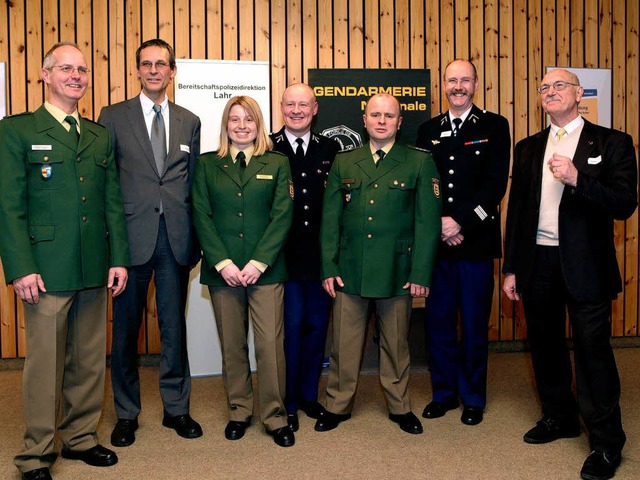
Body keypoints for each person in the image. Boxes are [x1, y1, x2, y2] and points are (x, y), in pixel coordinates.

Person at [0, 42, 129, 480]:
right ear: (45, 74)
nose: (76, 76)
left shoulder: (97, 134)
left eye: (83, 69)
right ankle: (35, 453)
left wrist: (119, 258)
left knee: (89, 360)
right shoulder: (16, 130)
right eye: (67, 69)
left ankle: (80, 438)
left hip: (94, 265)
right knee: (45, 364)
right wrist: (19, 266)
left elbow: (113, 202)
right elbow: (8, 206)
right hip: (45, 268)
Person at [503, 68, 637, 480]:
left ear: (579, 93)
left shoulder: (612, 142)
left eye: (559, 85)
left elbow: (623, 204)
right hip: (537, 262)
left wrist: (579, 179)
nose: (549, 91)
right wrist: (511, 267)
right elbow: (519, 213)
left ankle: (606, 443)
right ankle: (558, 417)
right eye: (544, 87)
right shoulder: (528, 148)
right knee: (544, 346)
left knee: (592, 351)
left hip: (586, 264)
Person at [316, 93, 441, 435]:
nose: (382, 120)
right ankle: (338, 404)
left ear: (400, 122)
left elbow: (428, 224)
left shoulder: (417, 161)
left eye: (389, 115)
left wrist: (420, 273)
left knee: (397, 344)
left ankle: (400, 406)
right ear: (365, 120)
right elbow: (330, 220)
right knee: (343, 343)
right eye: (375, 114)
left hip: (397, 269)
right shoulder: (344, 161)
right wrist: (329, 266)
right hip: (351, 267)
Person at [98, 38, 202, 447]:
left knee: (174, 329)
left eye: (162, 64)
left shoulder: (189, 120)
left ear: (172, 71)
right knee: (125, 331)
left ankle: (177, 409)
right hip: (130, 242)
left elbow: (191, 183)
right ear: (137, 70)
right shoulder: (112, 117)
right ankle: (126, 414)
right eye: (146, 64)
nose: (154, 70)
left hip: (174, 240)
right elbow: (107, 182)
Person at [192, 96, 294, 447]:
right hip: (224, 272)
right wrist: (222, 262)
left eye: (248, 120)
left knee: (269, 345)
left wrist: (257, 262)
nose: (241, 126)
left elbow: (282, 216)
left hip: (265, 270)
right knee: (232, 345)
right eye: (234, 120)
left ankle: (275, 415)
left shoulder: (277, 163)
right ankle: (239, 410)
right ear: (225, 125)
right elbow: (200, 215)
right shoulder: (207, 164)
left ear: (258, 124)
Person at [416, 59, 511, 426]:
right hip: (437, 245)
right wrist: (439, 224)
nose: (458, 86)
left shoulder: (493, 125)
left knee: (473, 325)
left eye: (465, 80)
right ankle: (443, 394)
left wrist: (461, 222)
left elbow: (495, 184)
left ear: (475, 84)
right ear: (443, 84)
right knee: (437, 323)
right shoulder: (428, 130)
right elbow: (423, 183)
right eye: (452, 80)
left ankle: (472, 397)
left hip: (475, 244)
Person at [270, 83, 340, 431]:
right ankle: (288, 400)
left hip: (319, 257)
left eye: (304, 105)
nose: (296, 111)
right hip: (282, 258)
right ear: (281, 108)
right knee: (290, 331)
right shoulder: (268, 146)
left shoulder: (331, 148)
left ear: (315, 109)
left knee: (316, 329)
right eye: (290, 105)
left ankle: (310, 396)